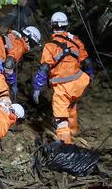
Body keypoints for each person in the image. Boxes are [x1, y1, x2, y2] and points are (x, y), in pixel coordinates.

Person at [32, 12, 94, 144]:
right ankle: (73, 132)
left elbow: (44, 69)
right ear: (66, 26)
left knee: (60, 118)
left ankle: (66, 146)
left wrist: (37, 87)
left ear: (52, 26)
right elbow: (87, 62)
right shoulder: (76, 41)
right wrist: (90, 75)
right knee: (71, 106)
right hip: (79, 82)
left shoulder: (50, 46)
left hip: (63, 86)